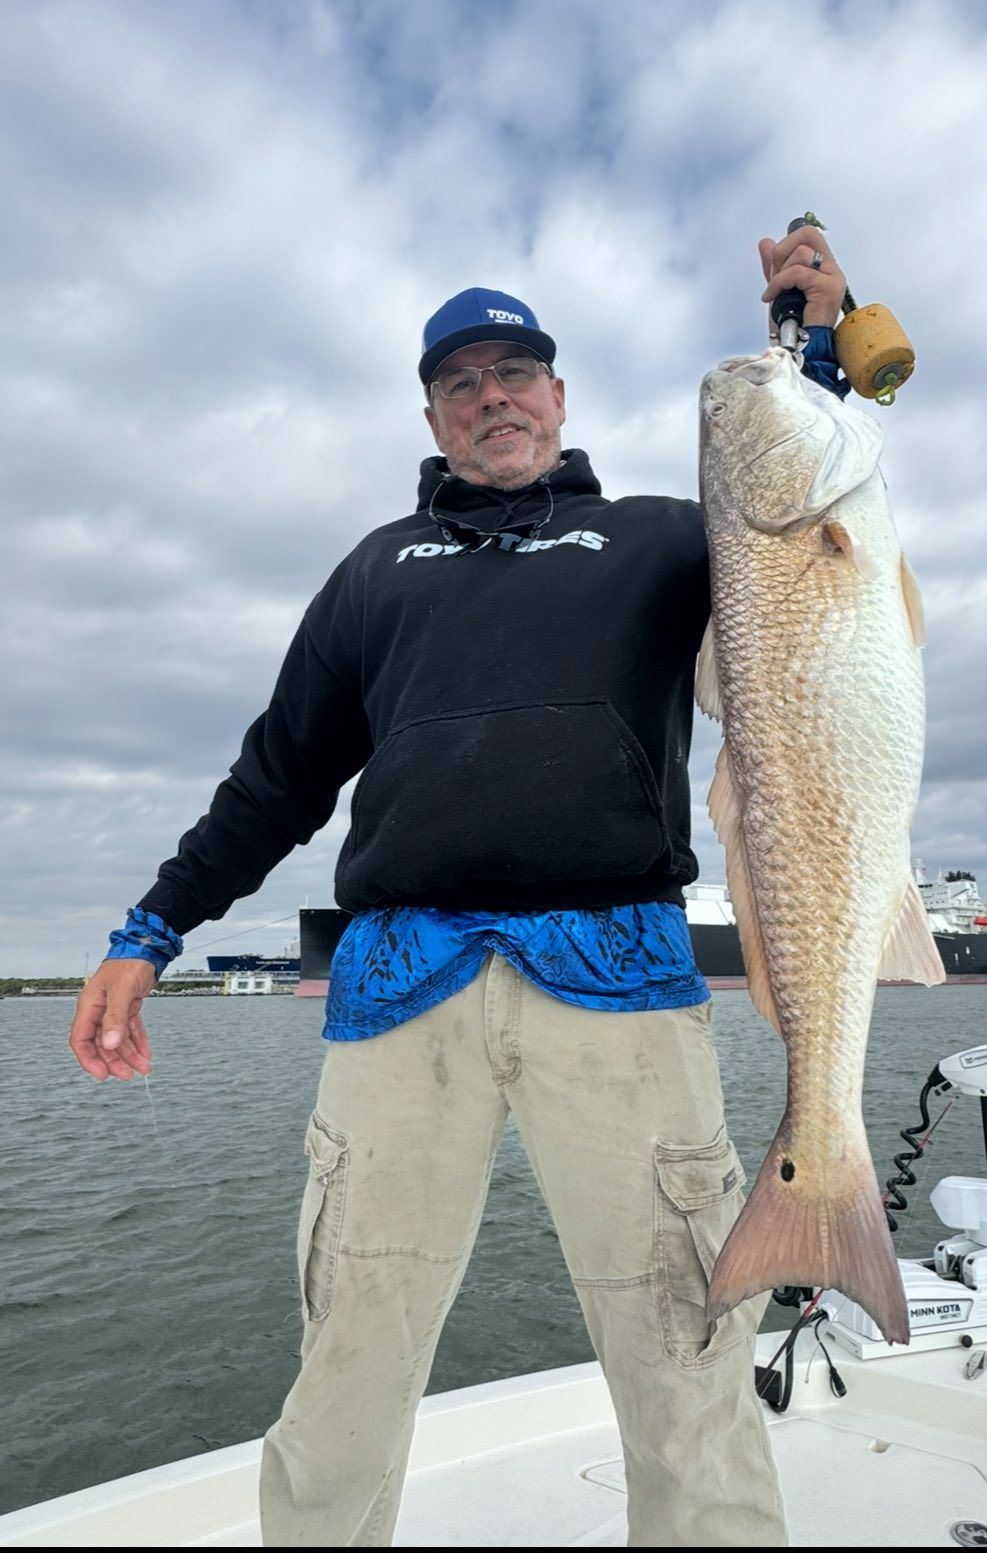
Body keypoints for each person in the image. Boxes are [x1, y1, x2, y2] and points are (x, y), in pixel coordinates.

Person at [69, 226, 851, 1547]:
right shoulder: (374, 571)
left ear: (560, 393)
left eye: (518, 371)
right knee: (348, 1372)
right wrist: (152, 927)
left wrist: (813, 357)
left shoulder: (664, 543)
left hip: (622, 987)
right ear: (431, 412)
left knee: (686, 1365)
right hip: (396, 991)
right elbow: (277, 776)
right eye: (463, 380)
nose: (494, 395)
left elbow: (807, 561)